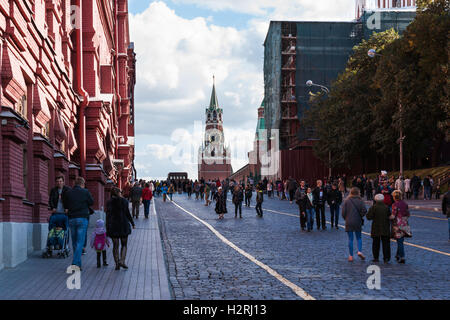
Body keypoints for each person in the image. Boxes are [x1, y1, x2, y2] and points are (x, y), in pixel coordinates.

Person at [64, 177, 94, 270]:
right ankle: (74, 263)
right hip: (82, 218)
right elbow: (91, 202)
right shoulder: (85, 192)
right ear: (82, 184)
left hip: (72, 219)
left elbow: (65, 205)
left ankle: (78, 264)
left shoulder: (68, 193)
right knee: (80, 242)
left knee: (74, 242)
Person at [106, 187, 135, 270]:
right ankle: (122, 261)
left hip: (113, 226)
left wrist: (107, 227)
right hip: (123, 225)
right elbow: (127, 213)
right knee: (124, 245)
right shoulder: (124, 201)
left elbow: (107, 216)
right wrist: (132, 223)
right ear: (119, 193)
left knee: (115, 246)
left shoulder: (109, 202)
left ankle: (117, 264)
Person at [341, 187, 367, 262]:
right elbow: (364, 210)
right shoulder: (360, 201)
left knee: (350, 239)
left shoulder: (347, 201)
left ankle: (351, 256)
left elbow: (343, 212)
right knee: (359, 237)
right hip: (357, 221)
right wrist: (360, 216)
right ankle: (359, 251)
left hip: (349, 221)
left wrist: (346, 218)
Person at [366, 194, 391, 263]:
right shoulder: (386, 207)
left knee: (375, 243)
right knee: (386, 243)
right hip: (385, 227)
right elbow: (389, 216)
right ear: (383, 199)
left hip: (376, 227)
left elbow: (368, 217)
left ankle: (376, 257)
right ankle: (386, 258)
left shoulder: (373, 207)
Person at [390, 190, 411, 264]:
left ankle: (402, 256)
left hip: (398, 224)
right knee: (401, 240)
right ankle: (398, 255)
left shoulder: (394, 205)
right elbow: (408, 214)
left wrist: (388, 218)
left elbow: (393, 215)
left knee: (399, 242)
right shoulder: (405, 204)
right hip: (405, 224)